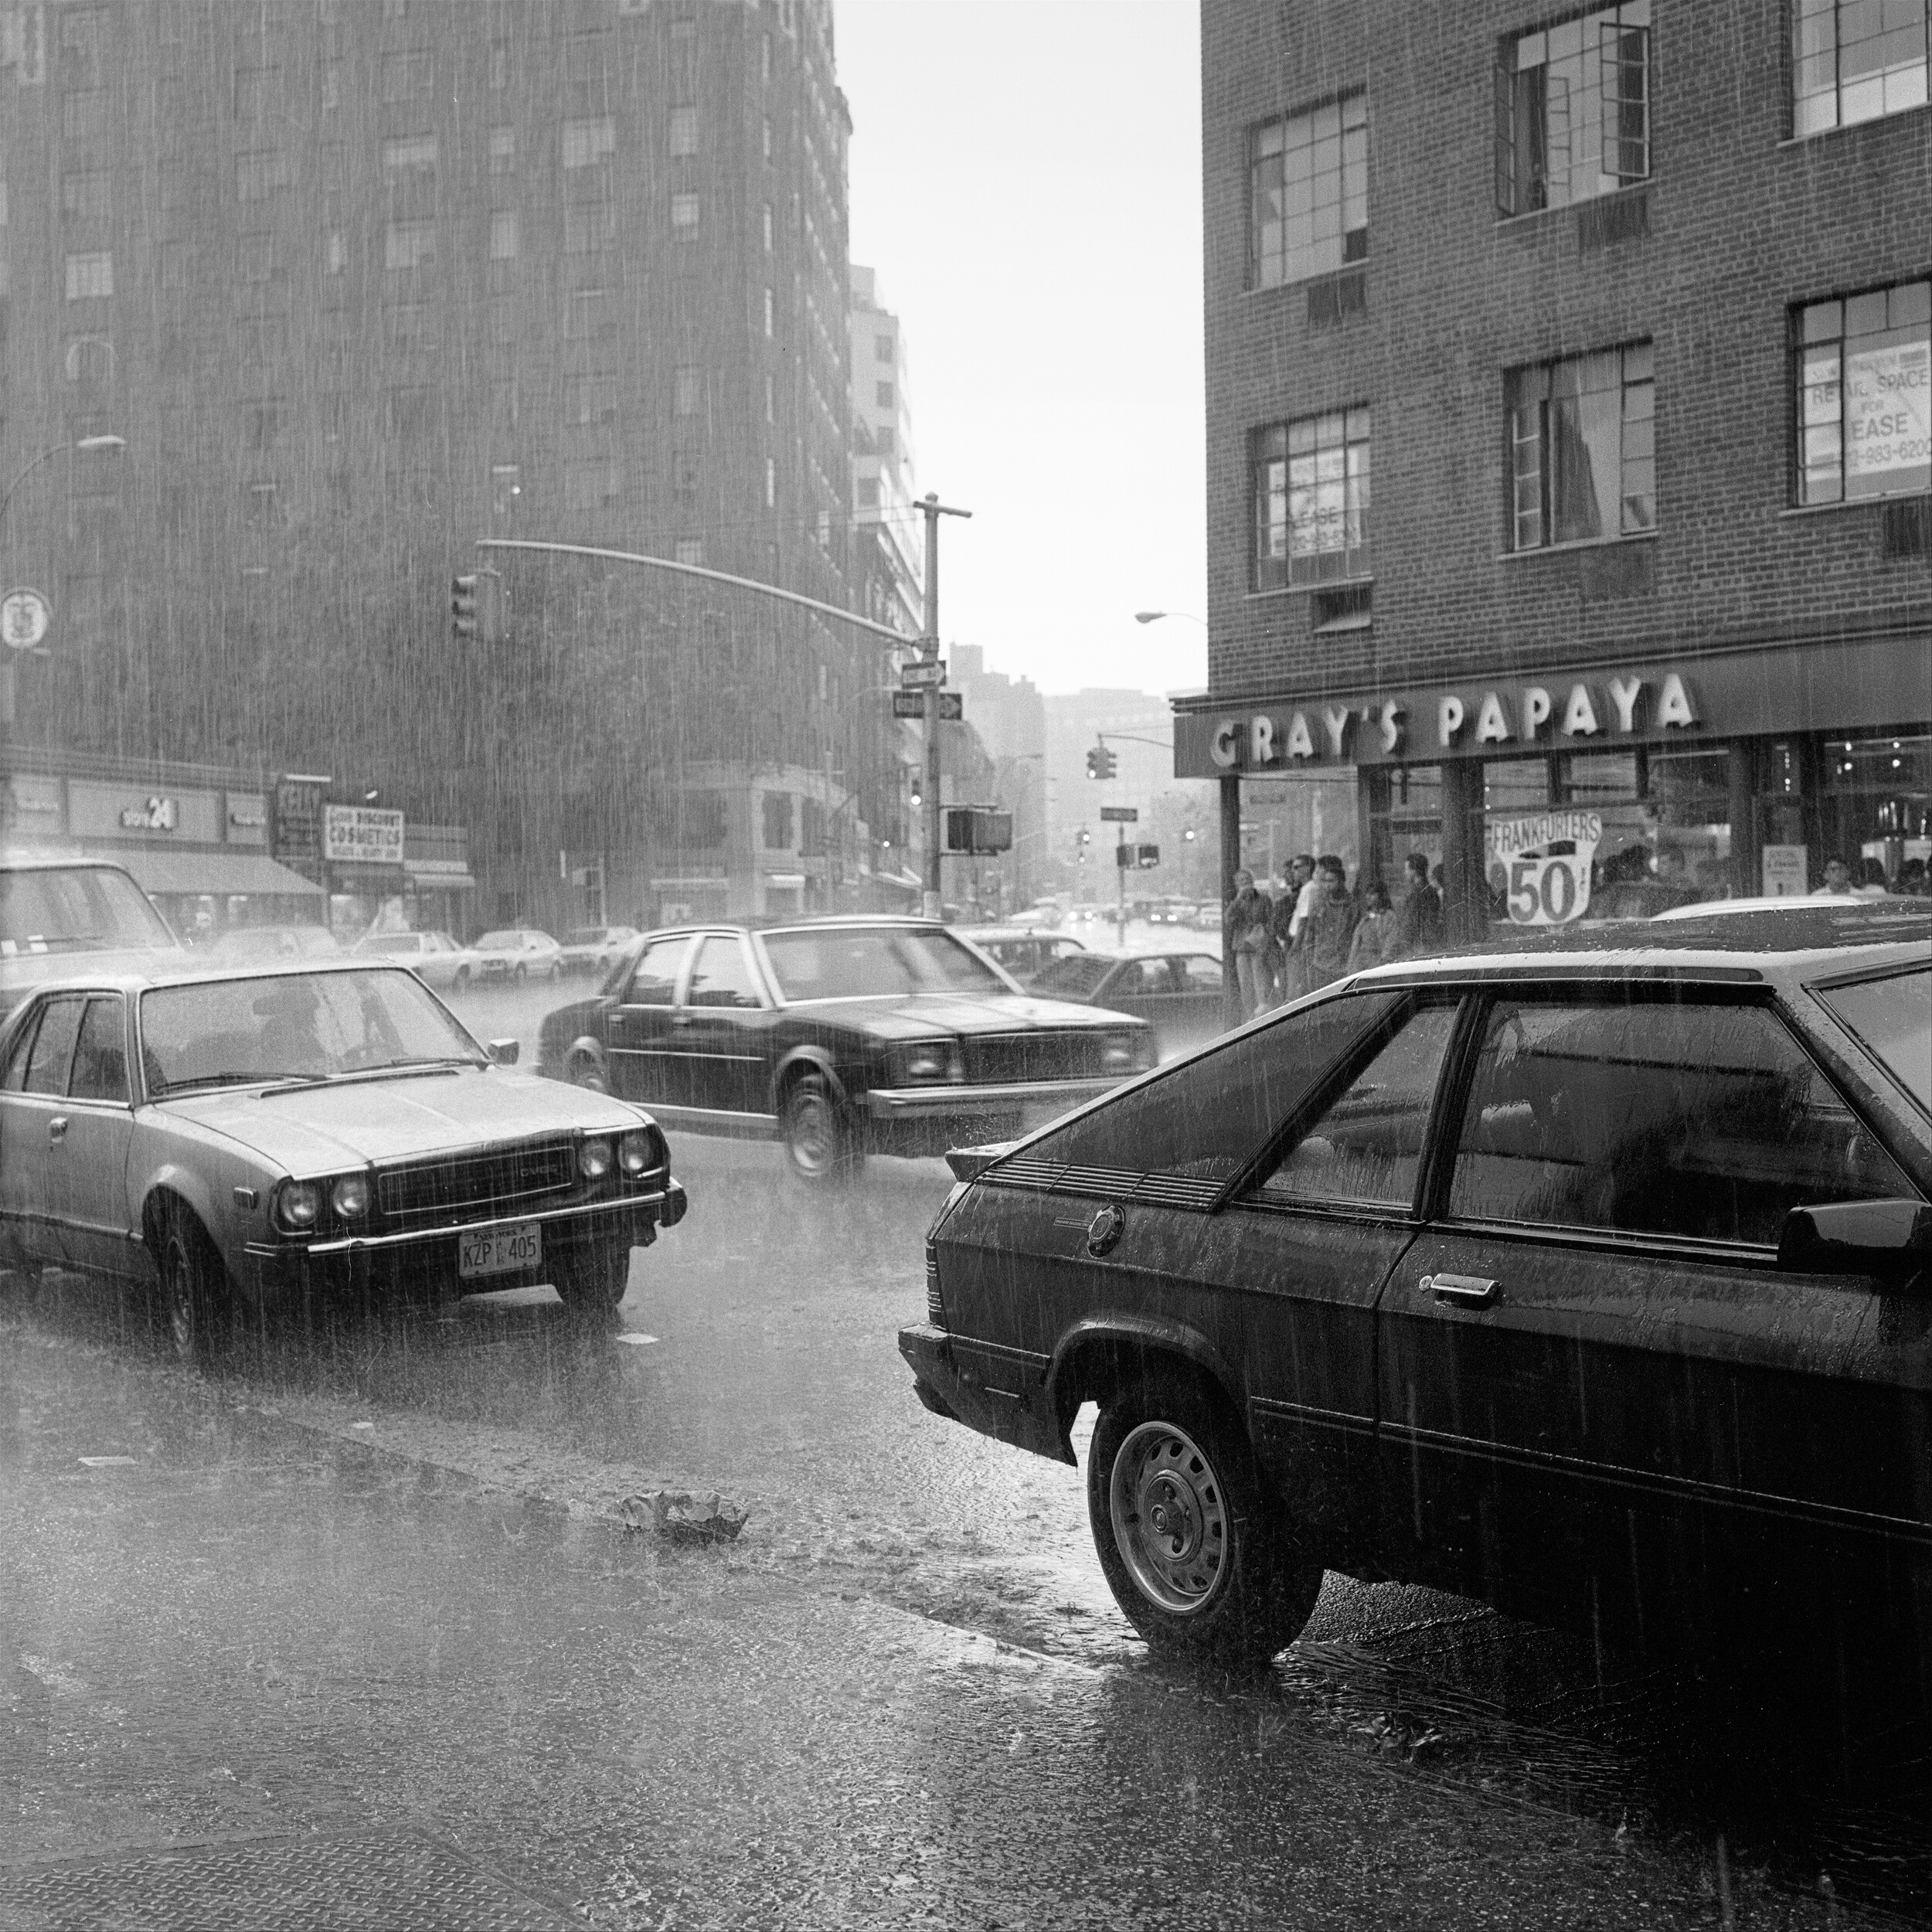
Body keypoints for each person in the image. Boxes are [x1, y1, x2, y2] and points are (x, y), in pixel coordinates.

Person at [1299, 855, 1358, 992]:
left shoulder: (1352, 906)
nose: (1327, 885)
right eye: (1325, 881)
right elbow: (1311, 932)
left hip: (1342, 964)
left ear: (1342, 881)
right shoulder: (1320, 904)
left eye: (1332, 881)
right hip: (1320, 964)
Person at [1223, 868, 1271, 1019]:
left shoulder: (1263, 899)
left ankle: (1262, 1014)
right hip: (1242, 946)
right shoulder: (1236, 903)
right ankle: (1250, 1016)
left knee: (1260, 981)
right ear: (1237, 885)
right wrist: (1238, 900)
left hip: (1257, 947)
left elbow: (1271, 921)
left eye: (1248, 880)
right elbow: (1228, 919)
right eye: (1241, 881)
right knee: (1246, 984)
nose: (1245, 883)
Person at [1270, 854, 1316, 1003]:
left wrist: (1295, 946)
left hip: (1297, 942)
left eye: (1296, 868)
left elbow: (1304, 921)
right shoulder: (1304, 890)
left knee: (1294, 986)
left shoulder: (1309, 889)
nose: (1293, 872)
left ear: (1307, 868)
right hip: (1291, 940)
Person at [1393, 852, 1443, 960]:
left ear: (1414, 871)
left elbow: (1410, 923)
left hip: (1418, 947)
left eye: (1407, 869)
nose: (1405, 873)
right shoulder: (1430, 892)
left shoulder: (1418, 894)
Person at [1347, 880, 1398, 973]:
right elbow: (1356, 943)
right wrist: (1350, 966)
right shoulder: (1366, 918)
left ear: (1381, 896)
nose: (1368, 897)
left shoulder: (1389, 917)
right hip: (1360, 962)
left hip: (1377, 962)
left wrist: (1383, 964)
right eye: (1367, 894)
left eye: (1372, 894)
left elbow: (1390, 943)